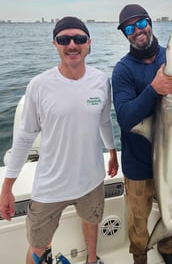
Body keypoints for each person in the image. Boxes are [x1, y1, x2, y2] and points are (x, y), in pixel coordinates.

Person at [0, 16, 119, 264]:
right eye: (64, 39)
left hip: (91, 179)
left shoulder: (101, 81)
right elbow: (24, 137)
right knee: (37, 245)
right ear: (55, 44)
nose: (72, 45)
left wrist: (112, 151)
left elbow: (104, 121)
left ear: (89, 43)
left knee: (92, 222)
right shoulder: (39, 85)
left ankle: (92, 259)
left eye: (79, 39)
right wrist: (7, 187)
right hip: (50, 186)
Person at [112, 4, 172, 264]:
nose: (137, 31)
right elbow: (125, 118)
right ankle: (140, 257)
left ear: (150, 22)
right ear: (125, 35)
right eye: (129, 28)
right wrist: (154, 88)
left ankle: (166, 250)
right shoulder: (123, 70)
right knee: (138, 223)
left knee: (171, 211)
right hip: (139, 166)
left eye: (141, 23)